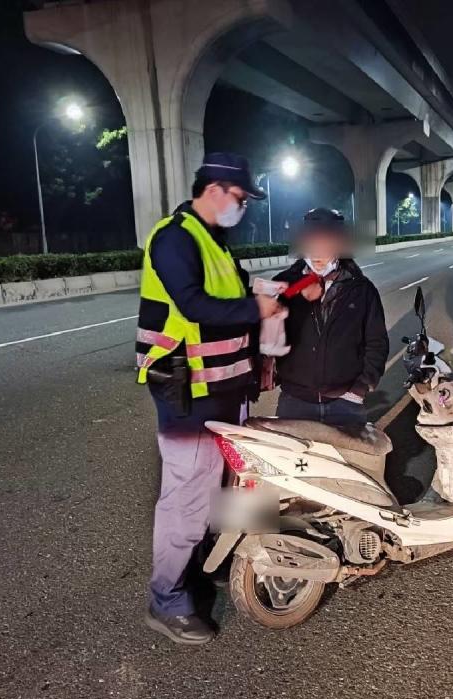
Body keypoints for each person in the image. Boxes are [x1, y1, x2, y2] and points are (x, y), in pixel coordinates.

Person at [135, 152, 280, 645]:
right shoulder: (174, 237)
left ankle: (211, 561)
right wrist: (255, 306)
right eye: (240, 198)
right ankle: (167, 598)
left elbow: (232, 315)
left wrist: (258, 356)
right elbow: (193, 305)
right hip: (189, 392)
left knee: (229, 487)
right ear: (216, 189)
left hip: (226, 387)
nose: (243, 208)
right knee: (187, 497)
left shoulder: (216, 242)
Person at [271, 208, 388, 425]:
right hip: (295, 401)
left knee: (347, 460)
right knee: (297, 460)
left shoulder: (361, 289)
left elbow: (376, 343)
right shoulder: (284, 285)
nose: (318, 251)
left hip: (346, 403)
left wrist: (361, 387)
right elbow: (265, 335)